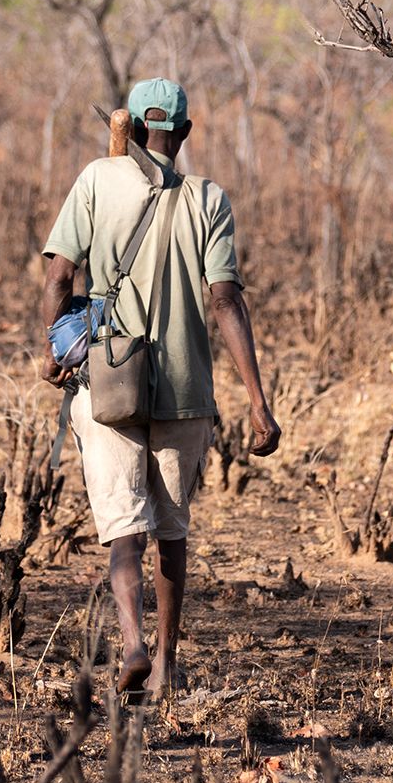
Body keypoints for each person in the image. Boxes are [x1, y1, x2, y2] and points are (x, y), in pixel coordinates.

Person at [39, 78, 280, 700]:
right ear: (184, 132)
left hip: (109, 383)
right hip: (184, 389)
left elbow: (59, 276)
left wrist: (53, 349)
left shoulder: (95, 178)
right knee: (171, 533)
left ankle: (132, 643)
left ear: (134, 128)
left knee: (125, 530)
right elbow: (224, 299)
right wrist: (258, 400)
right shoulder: (209, 198)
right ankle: (169, 665)